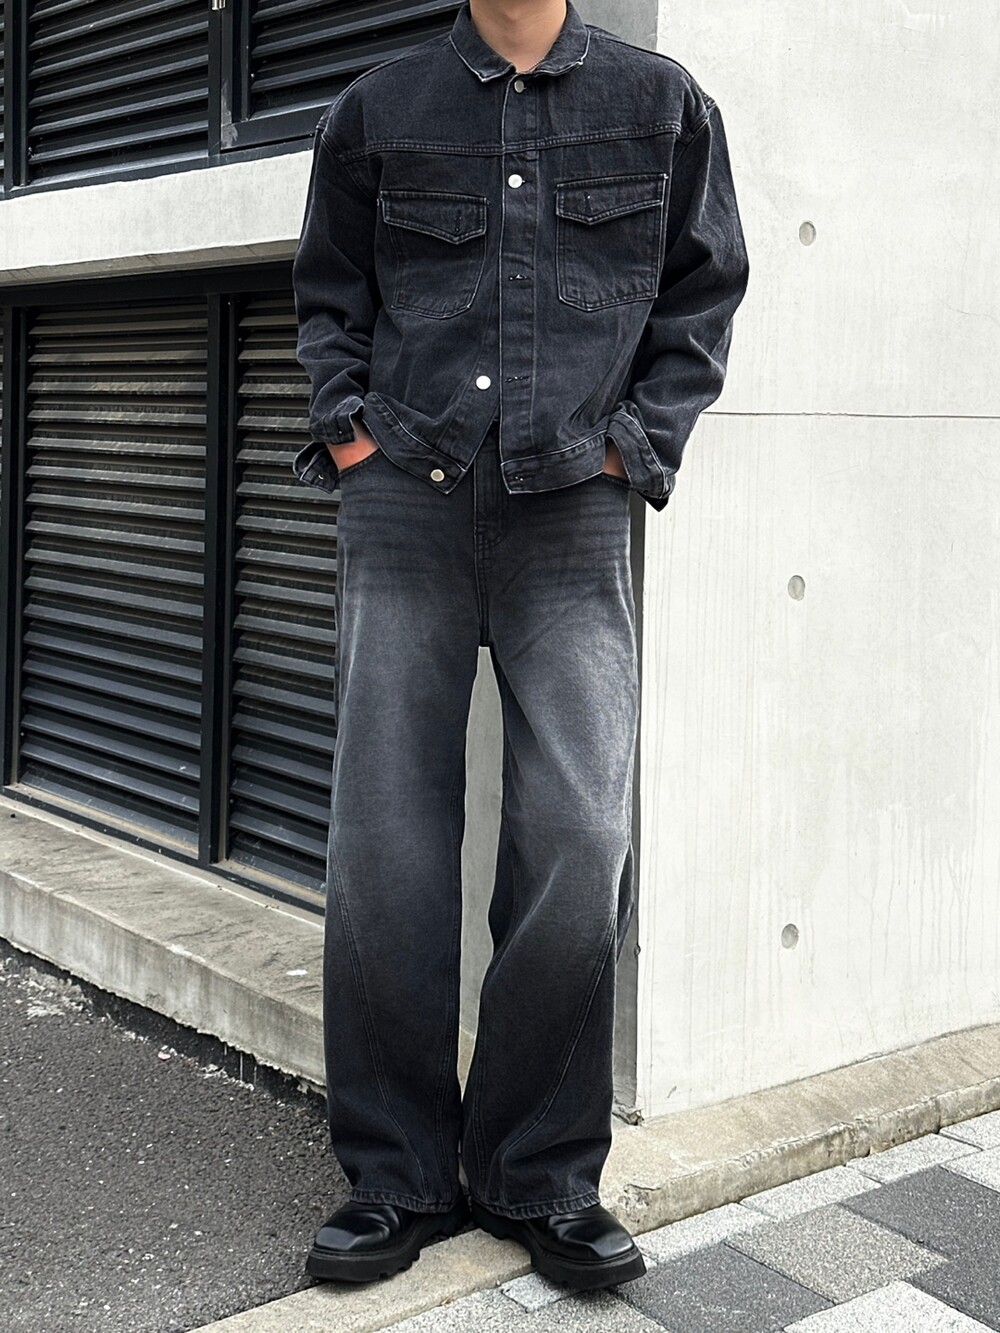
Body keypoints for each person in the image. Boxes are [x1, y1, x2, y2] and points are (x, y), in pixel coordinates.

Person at [291, 0, 748, 1291]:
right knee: (386, 841)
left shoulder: (663, 106)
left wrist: (634, 448)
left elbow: (704, 292)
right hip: (405, 499)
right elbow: (328, 294)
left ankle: (537, 1169)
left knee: (581, 835)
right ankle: (395, 1173)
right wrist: (348, 429)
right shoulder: (377, 110)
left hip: (573, 508)